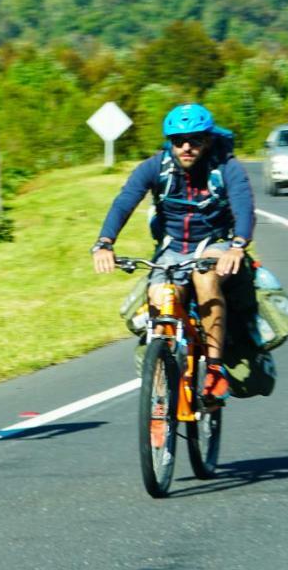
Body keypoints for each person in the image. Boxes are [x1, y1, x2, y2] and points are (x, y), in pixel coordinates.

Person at [90, 103, 255, 400]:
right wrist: (105, 242)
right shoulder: (155, 167)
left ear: (208, 139)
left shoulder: (226, 167)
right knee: (159, 296)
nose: (187, 147)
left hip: (215, 244)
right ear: (170, 142)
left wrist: (238, 245)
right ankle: (165, 366)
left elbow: (243, 205)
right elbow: (125, 201)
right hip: (172, 248)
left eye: (195, 140)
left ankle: (215, 369)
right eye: (179, 141)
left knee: (204, 278)